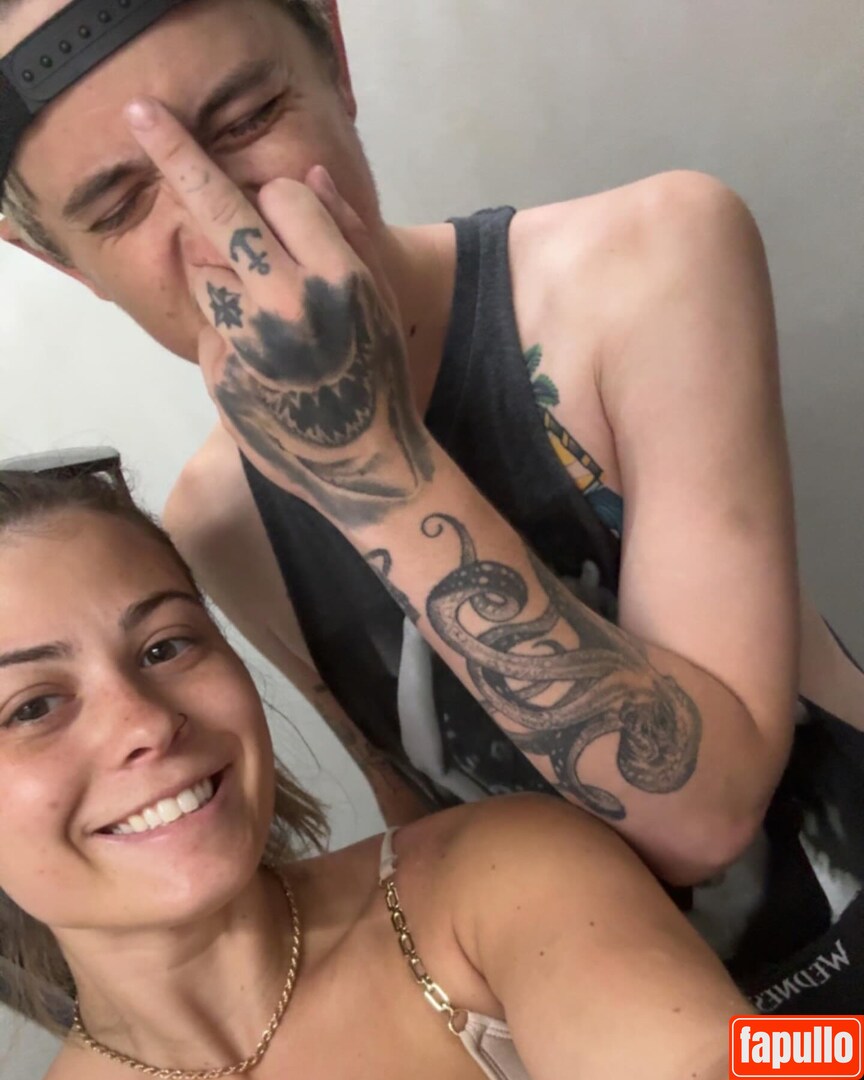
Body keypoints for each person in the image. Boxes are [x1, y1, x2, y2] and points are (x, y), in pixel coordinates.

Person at [0, 0, 861, 1011]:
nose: (220, 221)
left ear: (334, 53)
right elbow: (435, 831)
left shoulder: (646, 260)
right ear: (58, 257)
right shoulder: (219, 524)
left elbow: (703, 815)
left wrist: (363, 454)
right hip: (630, 1029)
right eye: (119, 205)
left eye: (246, 120)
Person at [0, 468, 746, 1080]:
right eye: (32, 707)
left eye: (165, 647)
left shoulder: (500, 873)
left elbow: (763, 1056)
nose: (147, 724)